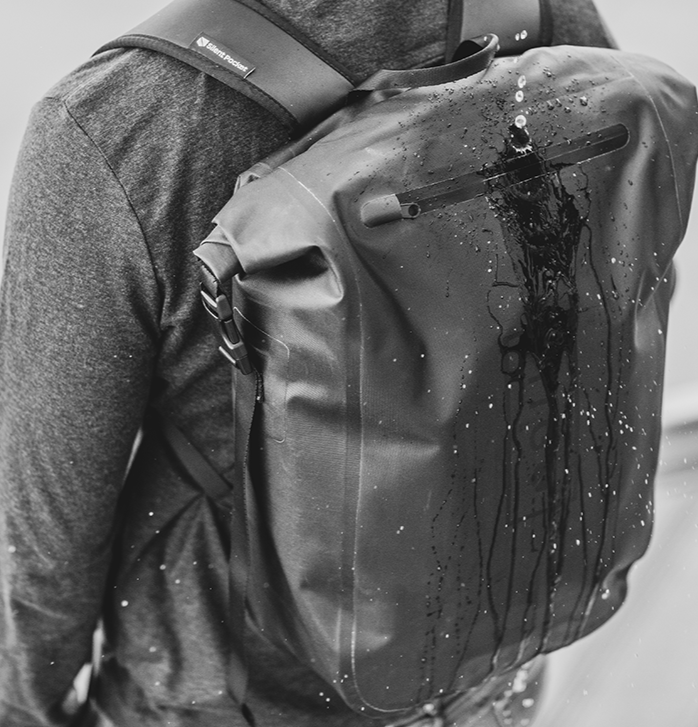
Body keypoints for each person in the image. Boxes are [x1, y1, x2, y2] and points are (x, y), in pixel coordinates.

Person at [0, 1, 616, 725]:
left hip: (229, 699)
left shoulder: (123, 124)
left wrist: (22, 704)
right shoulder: (536, 18)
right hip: (490, 657)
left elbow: (47, 531)